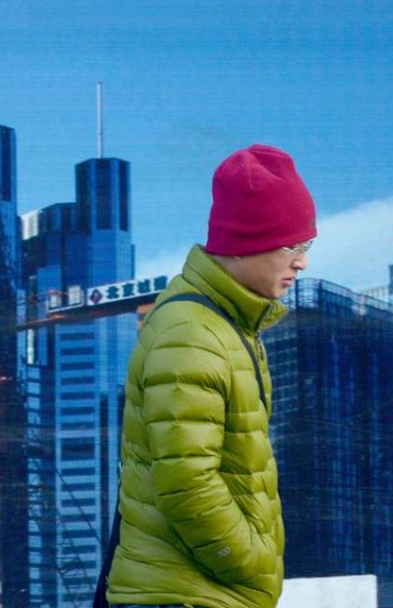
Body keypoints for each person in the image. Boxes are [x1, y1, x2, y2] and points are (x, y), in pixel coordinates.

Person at [105, 144, 317, 608]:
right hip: (187, 594)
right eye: (293, 247)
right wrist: (248, 561)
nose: (301, 262)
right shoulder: (193, 334)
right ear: (249, 241)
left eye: (307, 247)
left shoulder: (225, 325)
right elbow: (187, 482)